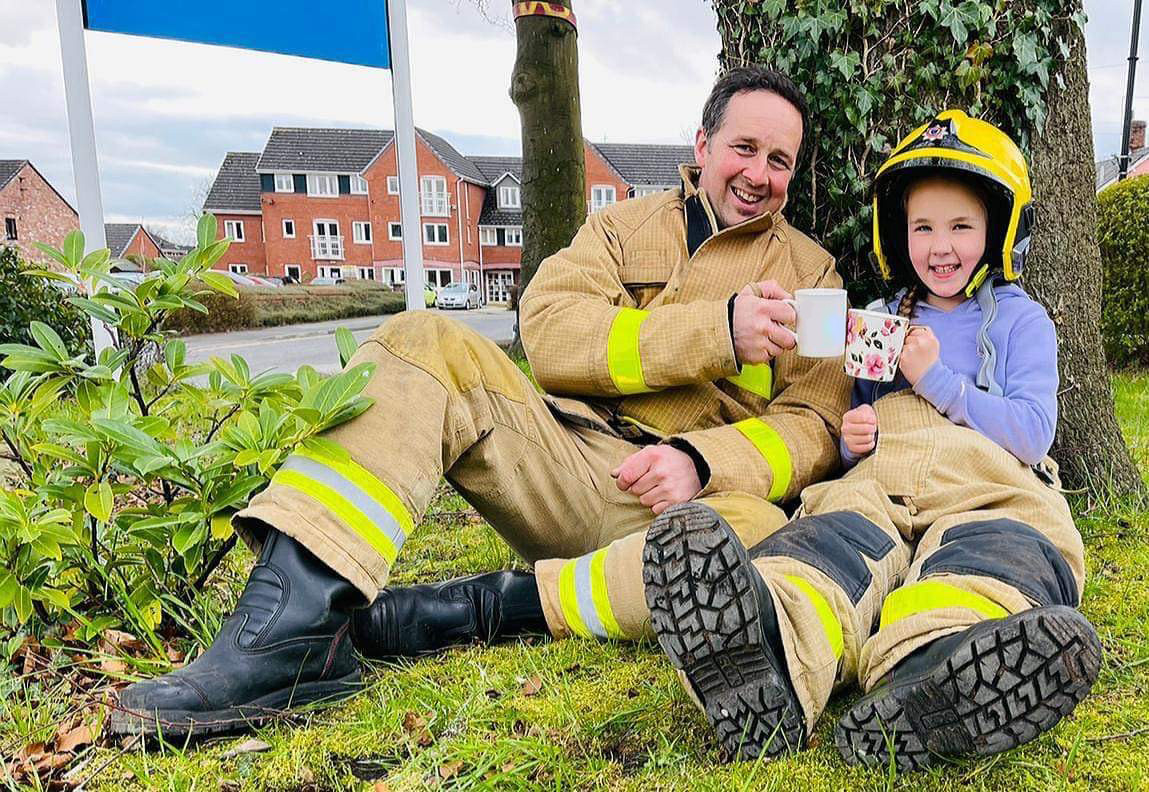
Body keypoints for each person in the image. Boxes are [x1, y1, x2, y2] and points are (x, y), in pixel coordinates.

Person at [110, 66, 852, 737]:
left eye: (779, 160)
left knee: (759, 537)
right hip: (566, 461)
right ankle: (285, 632)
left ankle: (468, 611)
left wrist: (698, 459)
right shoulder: (623, 226)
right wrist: (715, 330)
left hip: (680, 510)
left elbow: (812, 428)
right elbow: (550, 332)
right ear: (702, 142)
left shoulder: (811, 271)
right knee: (420, 338)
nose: (759, 174)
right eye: (744, 148)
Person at [641, 110, 1101, 770]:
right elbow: (857, 420)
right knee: (834, 538)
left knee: (996, 550)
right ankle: (774, 643)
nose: (939, 246)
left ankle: (936, 664)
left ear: (999, 230)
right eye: (922, 228)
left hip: (987, 481)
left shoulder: (1021, 322)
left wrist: (934, 377)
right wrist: (857, 437)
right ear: (897, 234)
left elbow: (1030, 435)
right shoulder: (881, 320)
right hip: (882, 477)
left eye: (960, 227)